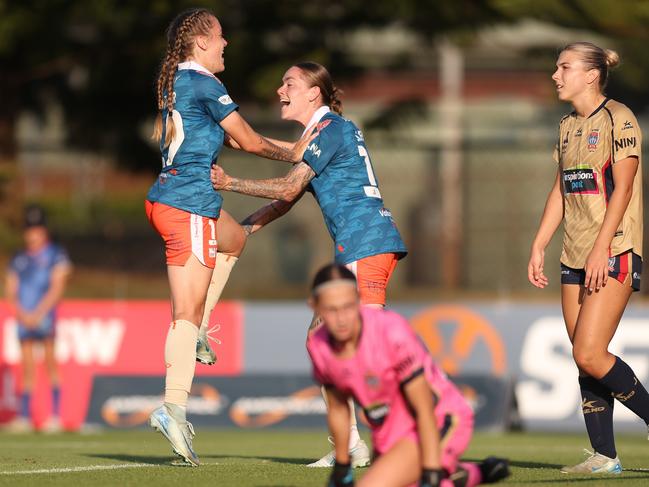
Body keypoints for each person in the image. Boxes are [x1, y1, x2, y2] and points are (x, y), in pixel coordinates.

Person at [211, 61, 408, 467]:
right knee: (327, 340)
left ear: (314, 92)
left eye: (289, 83)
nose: (280, 90)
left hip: (365, 243)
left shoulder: (331, 128)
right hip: (362, 245)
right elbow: (286, 197)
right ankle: (355, 444)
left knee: (355, 346)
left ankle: (407, 426)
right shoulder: (322, 134)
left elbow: (287, 184)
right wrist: (246, 229)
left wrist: (228, 182)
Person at [145, 8, 313, 466]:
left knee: (235, 238)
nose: (226, 43)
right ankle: (173, 406)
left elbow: (235, 140)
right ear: (200, 42)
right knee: (185, 311)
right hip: (189, 203)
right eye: (220, 36)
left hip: (171, 198)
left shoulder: (179, 80)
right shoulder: (204, 82)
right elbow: (252, 141)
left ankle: (198, 331)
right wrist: (300, 153)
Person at [528, 42, 649, 475]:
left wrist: (602, 248)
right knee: (584, 357)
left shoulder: (620, 118)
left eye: (564, 67)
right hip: (573, 255)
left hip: (613, 250)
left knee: (591, 352)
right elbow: (561, 189)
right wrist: (540, 243)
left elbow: (625, 188)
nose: (556, 75)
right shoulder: (565, 126)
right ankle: (605, 456)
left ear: (591, 75)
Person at [306, 263, 509, 487]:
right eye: (331, 310)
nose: (342, 319)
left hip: (441, 417)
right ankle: (469, 474)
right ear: (315, 307)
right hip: (390, 430)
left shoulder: (391, 332)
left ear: (358, 299)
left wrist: (430, 471)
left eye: (348, 307)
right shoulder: (319, 346)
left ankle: (445, 474)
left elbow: (425, 407)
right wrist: (342, 466)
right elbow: (338, 408)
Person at [5, 205, 71, 433]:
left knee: (50, 362)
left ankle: (55, 416)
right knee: (27, 366)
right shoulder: (19, 258)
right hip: (24, 317)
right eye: (29, 229)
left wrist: (39, 313)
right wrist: (22, 313)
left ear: (44, 231)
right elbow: (11, 289)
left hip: (44, 316)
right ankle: (24, 416)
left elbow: (57, 287)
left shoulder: (56, 254)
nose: (32, 234)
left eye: (37, 229)